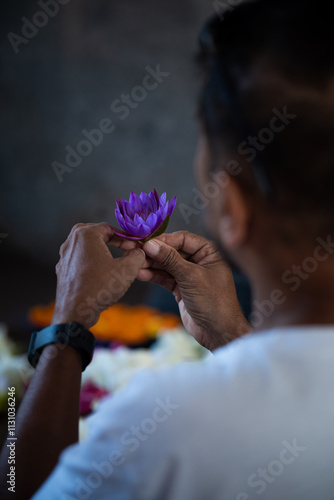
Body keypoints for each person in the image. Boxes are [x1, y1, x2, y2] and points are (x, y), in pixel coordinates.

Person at [2, 0, 334, 498]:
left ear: (233, 209)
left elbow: (20, 487)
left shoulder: (166, 424)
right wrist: (234, 339)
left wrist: (66, 327)